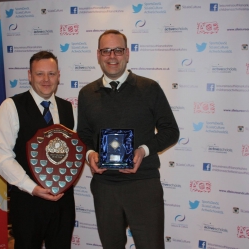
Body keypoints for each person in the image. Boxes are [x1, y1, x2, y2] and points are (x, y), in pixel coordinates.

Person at [77, 30, 179, 249]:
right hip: (105, 186)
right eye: (106, 51)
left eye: (118, 50)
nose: (112, 56)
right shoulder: (87, 93)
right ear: (98, 54)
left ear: (127, 53)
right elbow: (83, 135)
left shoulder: (149, 88)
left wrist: (142, 150)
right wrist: (90, 153)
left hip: (143, 185)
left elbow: (170, 130)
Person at [0, 51, 76, 249]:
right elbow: (2, 156)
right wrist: (32, 187)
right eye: (40, 74)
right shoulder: (11, 106)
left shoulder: (68, 108)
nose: (46, 80)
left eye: (51, 74)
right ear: (29, 75)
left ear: (59, 75)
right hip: (28, 202)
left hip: (63, 203)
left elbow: (73, 152)